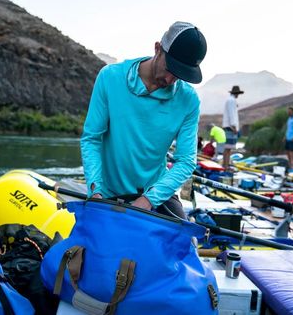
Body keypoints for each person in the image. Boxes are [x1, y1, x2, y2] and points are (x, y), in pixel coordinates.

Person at [80, 21, 207, 219]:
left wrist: (148, 200)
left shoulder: (189, 100)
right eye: (170, 68)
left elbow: (186, 161)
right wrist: (95, 189)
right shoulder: (110, 77)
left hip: (157, 193)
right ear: (157, 49)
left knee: (186, 247)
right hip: (105, 192)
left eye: (180, 75)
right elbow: (92, 139)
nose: (171, 79)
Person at [222, 85, 244, 170]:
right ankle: (225, 166)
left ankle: (226, 165)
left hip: (229, 126)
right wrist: (234, 127)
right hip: (230, 127)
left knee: (228, 148)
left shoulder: (231, 100)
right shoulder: (231, 101)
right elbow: (232, 115)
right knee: (228, 148)